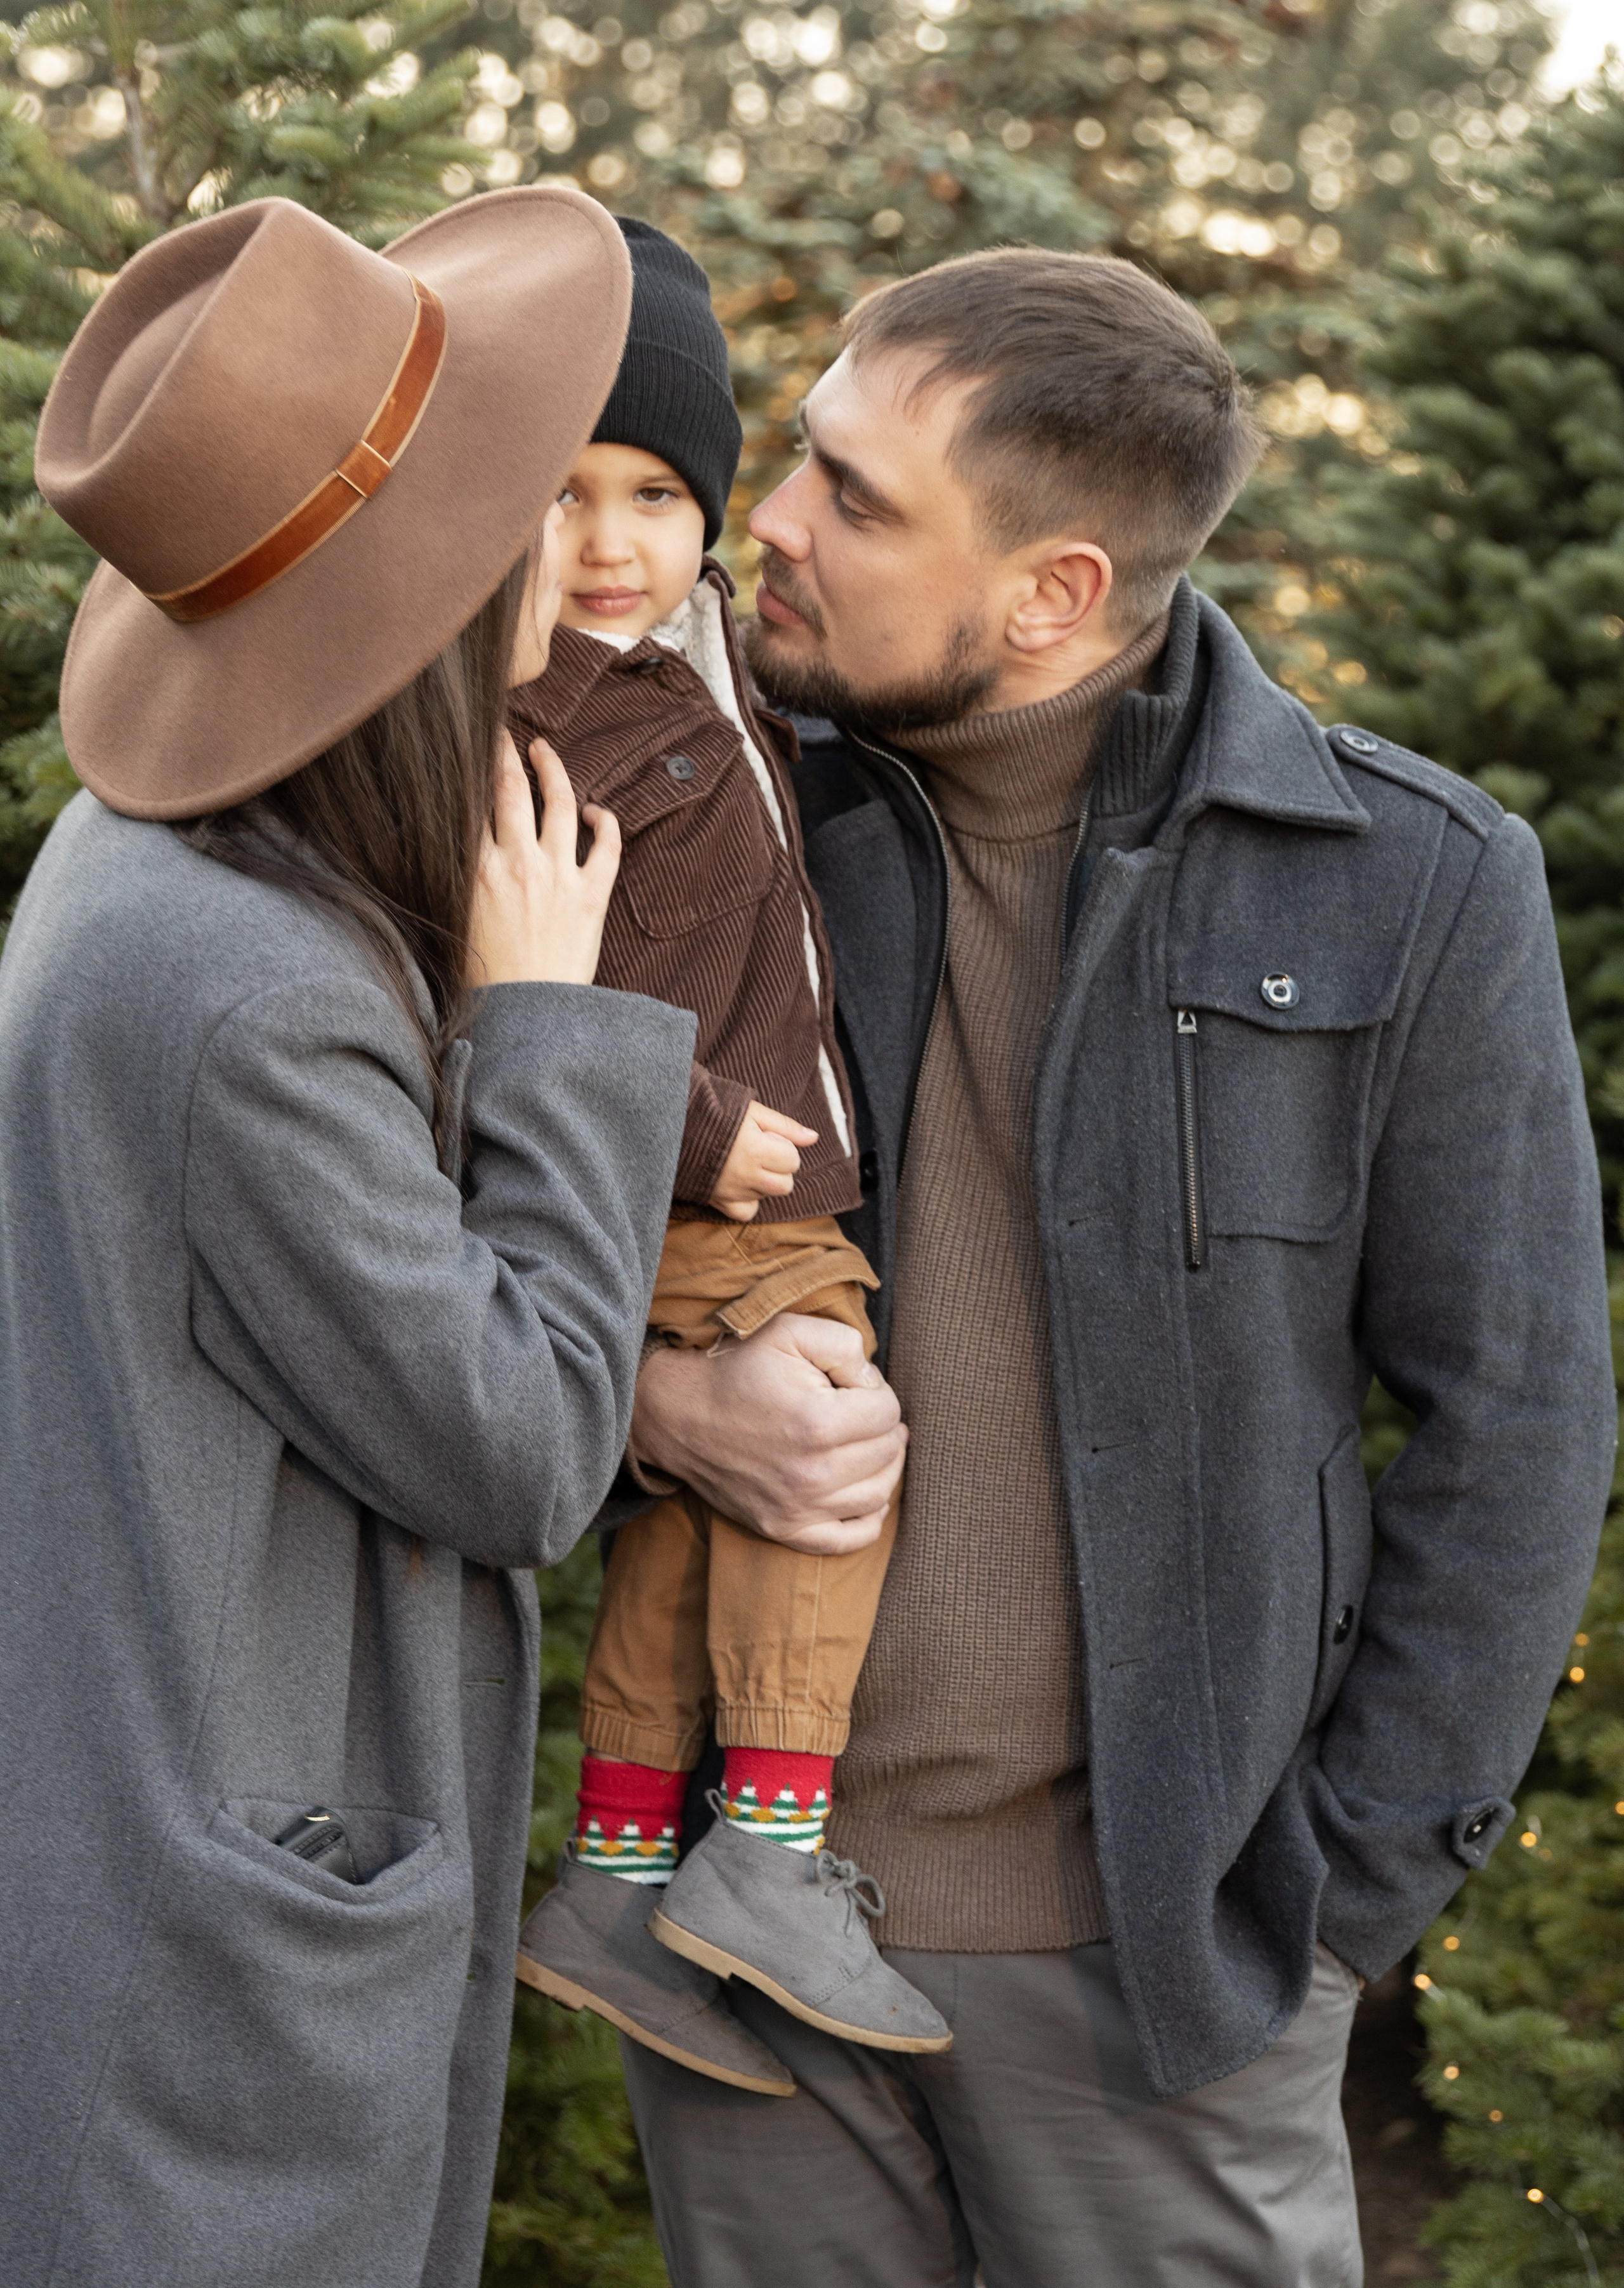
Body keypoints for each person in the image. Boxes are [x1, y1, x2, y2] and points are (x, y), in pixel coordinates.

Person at [615, 248, 1616, 2285]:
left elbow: (1518, 1419)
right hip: (739, 1928)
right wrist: (655, 1407)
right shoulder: (714, 817)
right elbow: (491, 1250)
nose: (769, 527)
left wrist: (1330, 1913)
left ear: (1058, 592)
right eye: (801, 457)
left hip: (1162, 1983)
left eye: (859, 500)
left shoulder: (1415, 884)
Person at [0, 189, 696, 2288]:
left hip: (141, 1878)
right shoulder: (255, 993)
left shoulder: (143, 870)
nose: (570, 573)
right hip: (211, 1988)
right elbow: (519, 1449)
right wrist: (557, 1031)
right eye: (522, 506)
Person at [507, 218, 948, 2094]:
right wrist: (689, 1119)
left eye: (659, 492)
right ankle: (766, 1840)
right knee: (825, 1453)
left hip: (732, 1177)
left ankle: (618, 1872)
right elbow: (504, 986)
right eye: (560, 491)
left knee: (689, 1531)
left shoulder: (708, 668)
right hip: (717, 1189)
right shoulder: (528, 718)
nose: (612, 540)